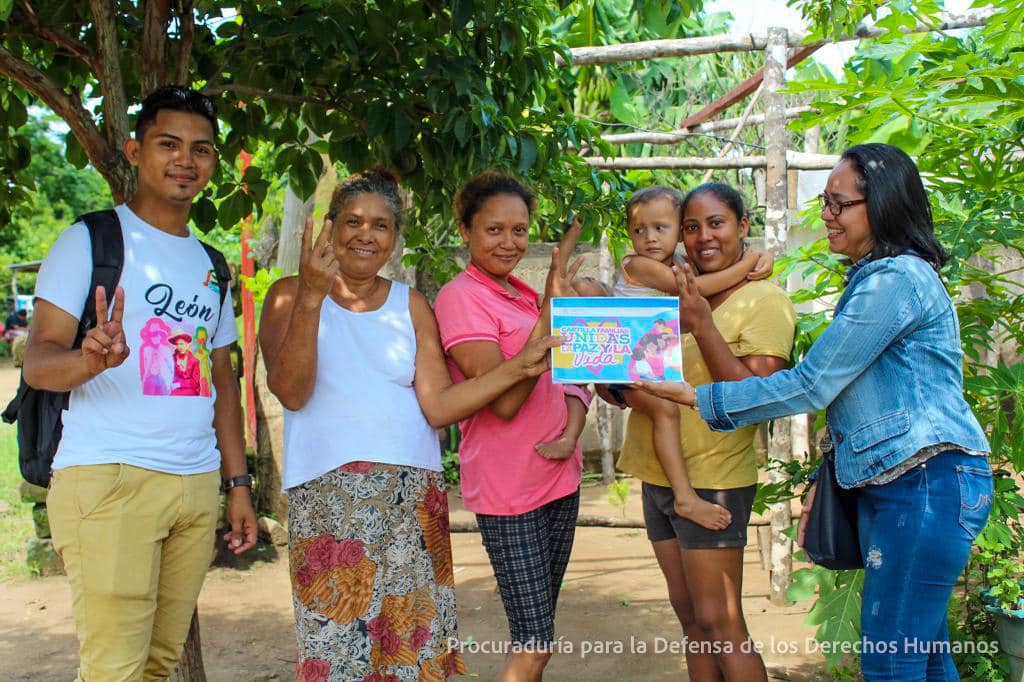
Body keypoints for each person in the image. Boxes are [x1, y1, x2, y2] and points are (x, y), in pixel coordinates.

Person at [640, 144, 993, 681]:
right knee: (922, 656)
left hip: (924, 484)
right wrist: (828, 475)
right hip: (907, 483)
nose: (825, 214)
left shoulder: (894, 280)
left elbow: (814, 383)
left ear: (882, 206)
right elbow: (858, 397)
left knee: (890, 662)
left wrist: (702, 398)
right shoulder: (878, 277)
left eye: (837, 203)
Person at [258, 168, 571, 681]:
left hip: (411, 494)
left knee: (412, 647)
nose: (366, 234)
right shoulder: (289, 295)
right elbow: (291, 390)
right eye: (353, 221)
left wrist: (520, 366)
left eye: (381, 225)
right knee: (339, 648)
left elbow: (439, 407)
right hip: (331, 496)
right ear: (330, 228)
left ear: (394, 238)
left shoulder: (412, 305)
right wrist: (314, 295)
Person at [23, 86, 257, 680]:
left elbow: (221, 382)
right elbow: (38, 363)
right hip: (110, 477)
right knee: (115, 671)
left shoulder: (211, 263)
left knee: (156, 666)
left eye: (201, 149)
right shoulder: (91, 240)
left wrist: (236, 484)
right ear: (134, 151)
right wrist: (90, 360)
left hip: (193, 482)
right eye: (168, 144)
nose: (185, 160)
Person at [604, 182, 796, 681]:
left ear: (743, 227)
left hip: (714, 479)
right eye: (692, 227)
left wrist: (703, 323)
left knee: (721, 620)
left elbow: (757, 394)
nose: (703, 236)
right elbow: (625, 377)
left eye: (717, 223)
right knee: (692, 621)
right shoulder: (669, 291)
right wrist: (611, 379)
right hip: (657, 474)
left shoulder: (762, 300)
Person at [432, 172, 589, 681]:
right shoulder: (461, 297)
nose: (509, 242)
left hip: (558, 476)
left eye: (519, 230)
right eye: (494, 230)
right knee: (535, 642)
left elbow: (570, 369)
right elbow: (501, 404)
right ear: (465, 231)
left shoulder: (520, 292)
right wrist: (549, 316)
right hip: (510, 489)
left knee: (540, 633)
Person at [577, 184, 777, 531]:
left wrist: (761, 255)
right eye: (639, 230)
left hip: (642, 364)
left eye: (661, 228)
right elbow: (696, 291)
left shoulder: (684, 263)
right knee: (666, 409)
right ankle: (685, 496)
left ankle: (682, 494)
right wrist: (749, 261)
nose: (650, 238)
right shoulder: (639, 264)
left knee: (667, 408)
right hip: (626, 362)